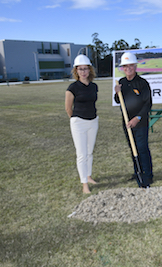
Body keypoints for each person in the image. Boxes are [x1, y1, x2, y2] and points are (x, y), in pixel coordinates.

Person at [114, 52, 153, 188]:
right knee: (133, 148)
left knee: (142, 148)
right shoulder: (122, 83)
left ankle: (147, 175)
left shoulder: (142, 83)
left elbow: (147, 104)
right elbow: (118, 100)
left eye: (130, 66)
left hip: (140, 122)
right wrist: (117, 92)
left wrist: (138, 118)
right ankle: (137, 172)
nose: (128, 69)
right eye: (125, 67)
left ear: (135, 66)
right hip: (127, 122)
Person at [65, 54, 99, 194]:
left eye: (86, 69)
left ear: (90, 70)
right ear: (76, 71)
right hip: (79, 122)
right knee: (82, 154)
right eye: (80, 69)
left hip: (93, 121)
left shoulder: (94, 86)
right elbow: (68, 108)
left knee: (89, 152)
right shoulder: (72, 87)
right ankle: (84, 184)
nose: (83, 71)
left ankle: (89, 176)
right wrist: (76, 120)